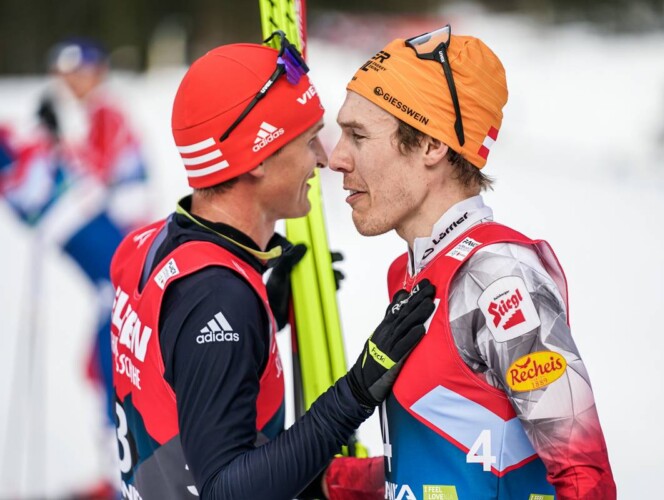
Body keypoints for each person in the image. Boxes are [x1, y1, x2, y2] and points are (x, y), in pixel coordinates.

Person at [110, 32, 435, 499]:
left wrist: (264, 311)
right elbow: (227, 491)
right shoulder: (217, 298)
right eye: (308, 142)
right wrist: (357, 392)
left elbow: (172, 366)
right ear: (257, 157)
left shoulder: (149, 244)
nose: (324, 160)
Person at [330, 25, 617, 499]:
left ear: (431, 145)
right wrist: (325, 480)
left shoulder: (498, 277)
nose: (336, 158)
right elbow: (455, 455)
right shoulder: (413, 274)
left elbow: (584, 474)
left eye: (357, 135)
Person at [0, 37, 149, 424]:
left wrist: (55, 146)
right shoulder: (80, 112)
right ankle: (113, 445)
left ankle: (117, 444)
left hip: (119, 233)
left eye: (76, 74)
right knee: (113, 317)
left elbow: (104, 175)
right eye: (63, 75)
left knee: (117, 319)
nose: (68, 83)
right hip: (104, 231)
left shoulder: (103, 112)